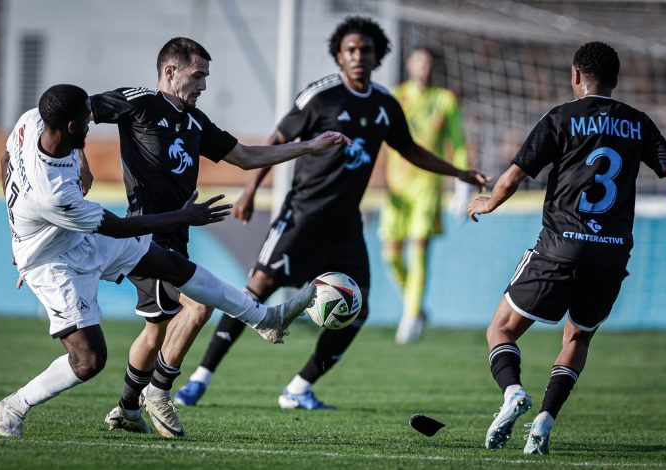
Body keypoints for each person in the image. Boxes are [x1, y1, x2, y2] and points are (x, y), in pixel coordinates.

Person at [174, 16, 489, 410]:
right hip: (302, 217)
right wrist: (251, 191)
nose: (358, 56)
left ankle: (299, 387)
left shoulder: (385, 104)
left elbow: (410, 149)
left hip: (345, 226)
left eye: (365, 50)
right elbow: (278, 139)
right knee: (255, 292)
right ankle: (200, 379)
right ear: (339, 55)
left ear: (377, 56)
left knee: (359, 307)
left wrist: (458, 172)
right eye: (350, 50)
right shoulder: (321, 96)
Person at [0, 84, 327, 438]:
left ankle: (266, 319)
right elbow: (120, 228)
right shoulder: (54, 195)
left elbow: (5, 160)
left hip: (74, 235)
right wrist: (185, 216)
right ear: (71, 127)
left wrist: (19, 227)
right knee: (88, 360)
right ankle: (14, 406)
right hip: (54, 262)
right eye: (86, 122)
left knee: (172, 266)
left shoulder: (31, 121)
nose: (91, 125)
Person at [87, 37, 349, 438]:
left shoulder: (195, 122)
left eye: (206, 76)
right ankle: (158, 393)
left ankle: (126, 408)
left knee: (156, 330)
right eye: (198, 75)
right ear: (170, 71)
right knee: (198, 306)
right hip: (144, 236)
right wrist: (78, 161)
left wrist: (310, 146)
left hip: (176, 236)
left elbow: (245, 156)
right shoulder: (139, 102)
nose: (204, 85)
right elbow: (78, 110)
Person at [466, 42, 666, 454]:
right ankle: (545, 420)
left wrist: (490, 203)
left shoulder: (561, 117)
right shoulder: (638, 122)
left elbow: (514, 175)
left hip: (560, 247)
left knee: (500, 329)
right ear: (615, 80)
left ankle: (513, 392)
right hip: (610, 253)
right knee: (577, 340)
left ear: (576, 75)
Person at [379, 47, 471, 344]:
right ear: (409, 65)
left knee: (418, 246)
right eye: (419, 61)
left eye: (429, 62)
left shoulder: (445, 100)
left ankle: (409, 317)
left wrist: (462, 186)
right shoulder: (396, 97)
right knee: (391, 255)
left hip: (428, 185)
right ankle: (415, 306)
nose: (424, 67)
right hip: (396, 187)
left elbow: (458, 143)